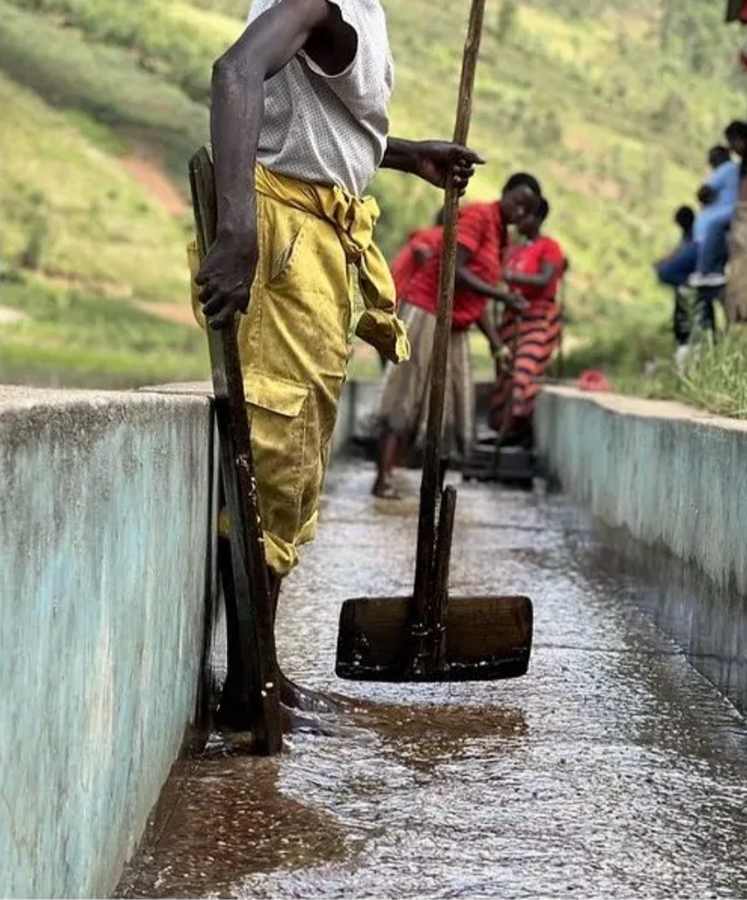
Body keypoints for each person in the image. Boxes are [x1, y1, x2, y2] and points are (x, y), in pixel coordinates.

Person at [191, 0, 483, 725]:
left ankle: (262, 672)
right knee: (274, 454)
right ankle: (247, 687)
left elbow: (321, 126)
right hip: (283, 235)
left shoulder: (358, 10)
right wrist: (236, 231)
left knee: (291, 463)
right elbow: (236, 72)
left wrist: (410, 154)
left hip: (317, 236)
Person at [372, 173, 541, 498]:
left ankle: (432, 489)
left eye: (526, 210)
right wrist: (502, 296)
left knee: (449, 405)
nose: (519, 213)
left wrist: (497, 346)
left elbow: (473, 302)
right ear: (504, 194)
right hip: (429, 311)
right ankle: (384, 479)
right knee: (405, 396)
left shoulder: (501, 237)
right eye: (517, 202)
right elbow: (454, 270)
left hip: (456, 323)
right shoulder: (479, 217)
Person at [487, 197, 567, 443]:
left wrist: (508, 276)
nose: (519, 219)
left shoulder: (549, 247)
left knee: (523, 371)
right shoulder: (514, 249)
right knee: (506, 375)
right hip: (512, 319)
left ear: (538, 218)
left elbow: (544, 280)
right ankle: (507, 430)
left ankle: (509, 433)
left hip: (538, 317)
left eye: (526, 215)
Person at [689, 144, 741, 290]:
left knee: (675, 271)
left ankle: (704, 271)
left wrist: (706, 198)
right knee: (712, 282)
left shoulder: (726, 169)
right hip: (714, 231)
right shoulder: (732, 170)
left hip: (711, 232)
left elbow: (703, 192)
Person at [654, 205, 696, 347]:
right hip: (684, 279)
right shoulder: (689, 233)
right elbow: (679, 248)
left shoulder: (694, 234)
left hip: (688, 279)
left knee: (684, 310)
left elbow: (681, 250)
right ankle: (683, 339)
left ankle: (685, 340)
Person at [390, 209, 445, 304]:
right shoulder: (439, 235)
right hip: (403, 296)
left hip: (393, 292)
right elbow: (419, 250)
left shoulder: (429, 234)